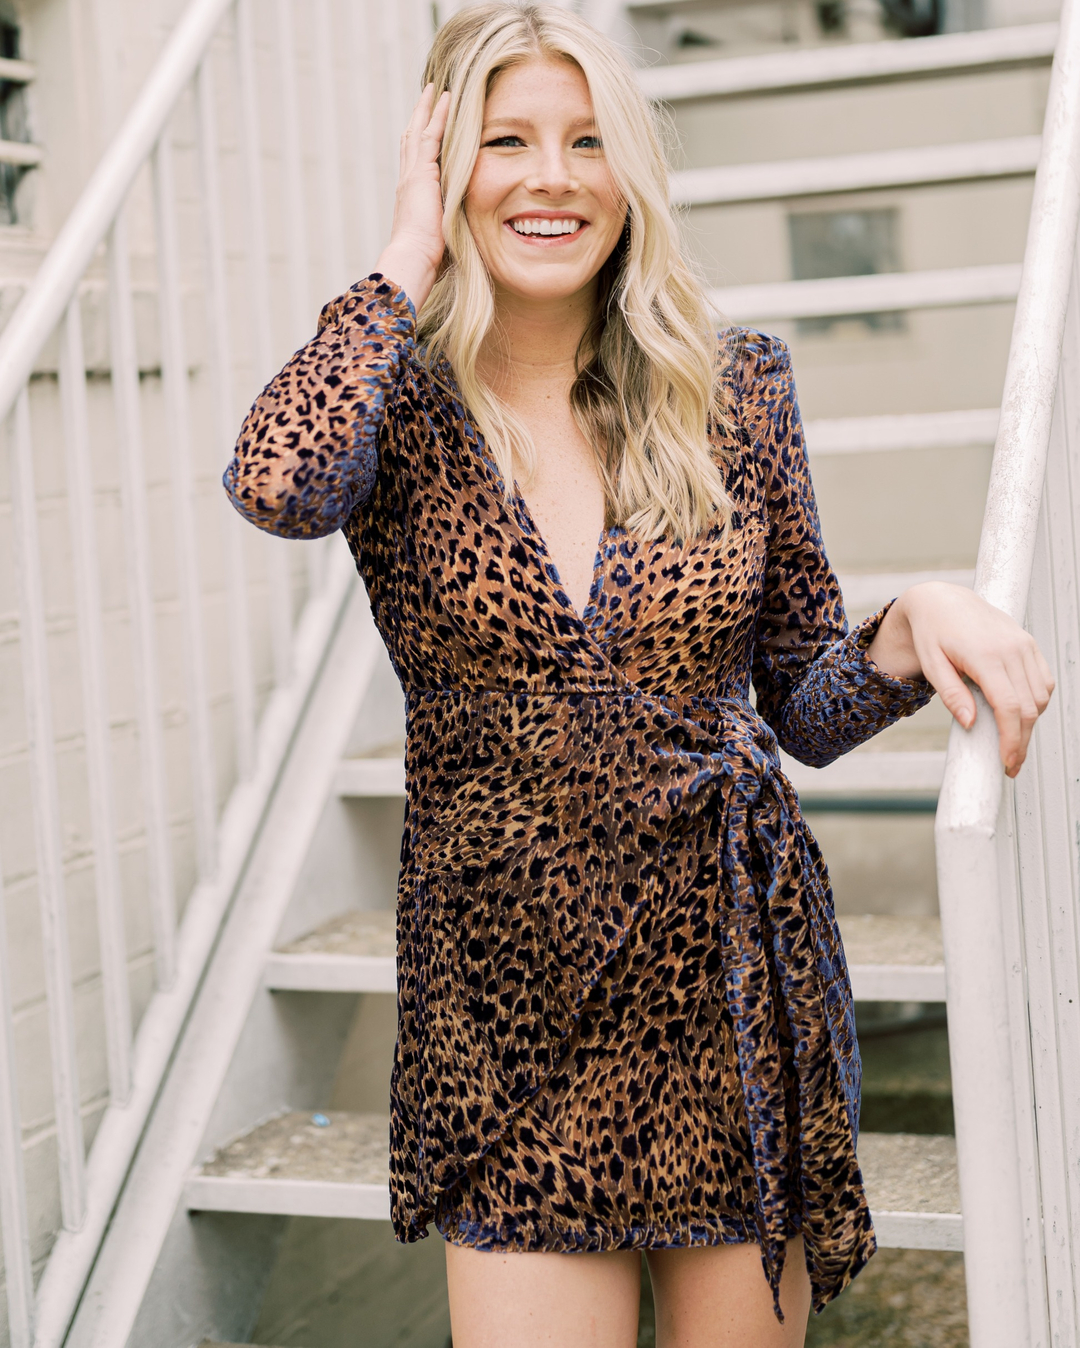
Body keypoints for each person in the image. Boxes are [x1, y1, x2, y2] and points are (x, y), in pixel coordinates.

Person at [223, 5, 1054, 1344]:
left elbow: (802, 702)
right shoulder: (398, 400)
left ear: (633, 172)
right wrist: (404, 252)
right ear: (443, 162)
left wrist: (910, 623)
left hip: (726, 998)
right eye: (506, 141)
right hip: (508, 1026)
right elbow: (276, 483)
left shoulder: (733, 388)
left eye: (588, 141)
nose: (551, 178)